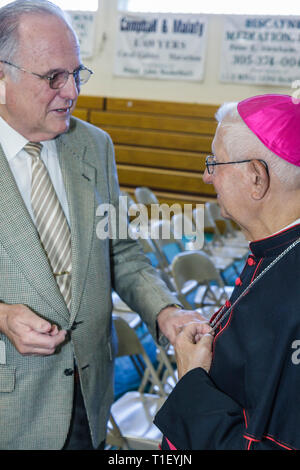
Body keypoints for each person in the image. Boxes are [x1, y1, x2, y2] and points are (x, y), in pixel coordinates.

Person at [0, 0, 204, 450]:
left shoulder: (94, 145)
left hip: (89, 398)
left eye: (77, 73)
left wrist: (165, 311)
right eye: (53, 77)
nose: (72, 92)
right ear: (2, 77)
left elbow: (122, 254)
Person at [154, 94, 300, 450]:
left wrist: (191, 379)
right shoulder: (275, 251)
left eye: (214, 163)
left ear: (256, 177)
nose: (206, 177)